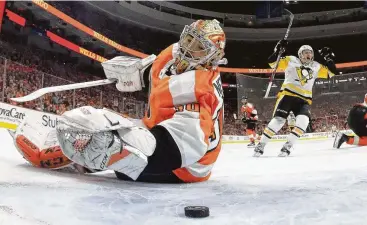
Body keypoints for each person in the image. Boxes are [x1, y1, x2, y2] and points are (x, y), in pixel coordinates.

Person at [49, 19, 225, 183]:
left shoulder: (199, 90)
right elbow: (156, 71)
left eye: (199, 47)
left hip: (187, 165)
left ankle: (91, 156)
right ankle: (87, 152)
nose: (188, 48)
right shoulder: (174, 54)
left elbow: (184, 144)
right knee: (108, 124)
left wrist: (118, 146)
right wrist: (137, 73)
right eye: (189, 39)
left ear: (212, 57)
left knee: (119, 149)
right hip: (159, 126)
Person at [254, 40, 337, 157]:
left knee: (303, 122)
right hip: (288, 95)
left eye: (310, 53)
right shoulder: (291, 60)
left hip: (304, 100)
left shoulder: (316, 66)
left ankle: (287, 146)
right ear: (300, 54)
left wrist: (328, 58)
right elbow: (272, 62)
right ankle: (261, 145)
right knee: (279, 121)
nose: (309, 55)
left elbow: (332, 73)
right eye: (305, 52)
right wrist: (278, 50)